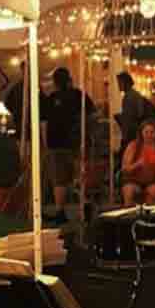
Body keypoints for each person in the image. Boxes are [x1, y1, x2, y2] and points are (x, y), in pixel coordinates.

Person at [43, 67, 96, 224]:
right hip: (76, 142)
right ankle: (85, 205)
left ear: (55, 82)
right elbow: (93, 114)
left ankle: (60, 211)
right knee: (79, 176)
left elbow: (44, 122)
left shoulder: (52, 98)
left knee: (59, 179)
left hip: (57, 143)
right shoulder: (79, 95)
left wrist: (46, 142)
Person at [121, 119, 155, 206]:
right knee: (128, 191)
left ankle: (149, 217)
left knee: (152, 191)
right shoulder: (133, 146)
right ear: (141, 133)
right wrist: (137, 165)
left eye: (152, 132)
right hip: (134, 180)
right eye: (146, 132)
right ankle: (130, 217)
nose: (149, 135)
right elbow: (124, 170)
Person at [116, 72, 148, 154]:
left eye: (119, 83)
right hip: (133, 132)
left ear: (125, 83)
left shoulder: (129, 97)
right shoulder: (135, 95)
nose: (118, 85)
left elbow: (132, 117)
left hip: (131, 133)